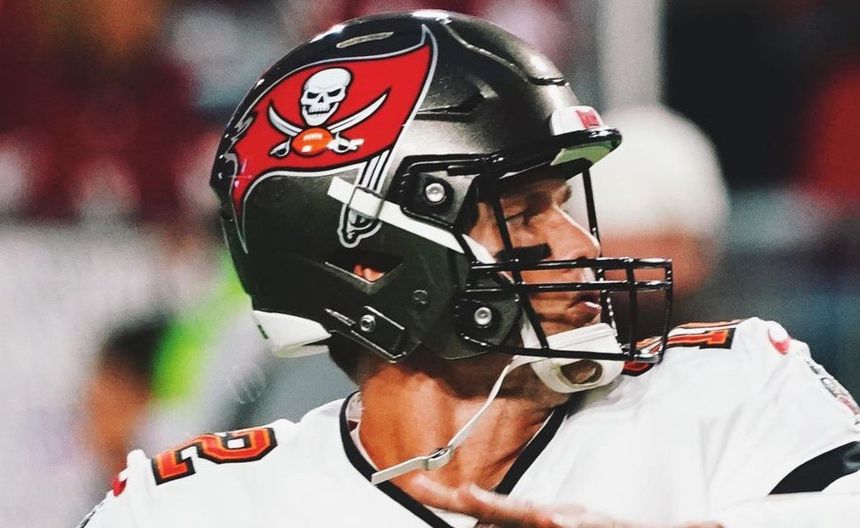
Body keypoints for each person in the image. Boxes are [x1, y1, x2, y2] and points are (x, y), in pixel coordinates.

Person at [79, 11, 860, 527]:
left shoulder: (732, 391)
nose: (582, 248)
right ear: (371, 260)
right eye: (523, 213)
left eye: (564, 203)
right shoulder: (200, 508)